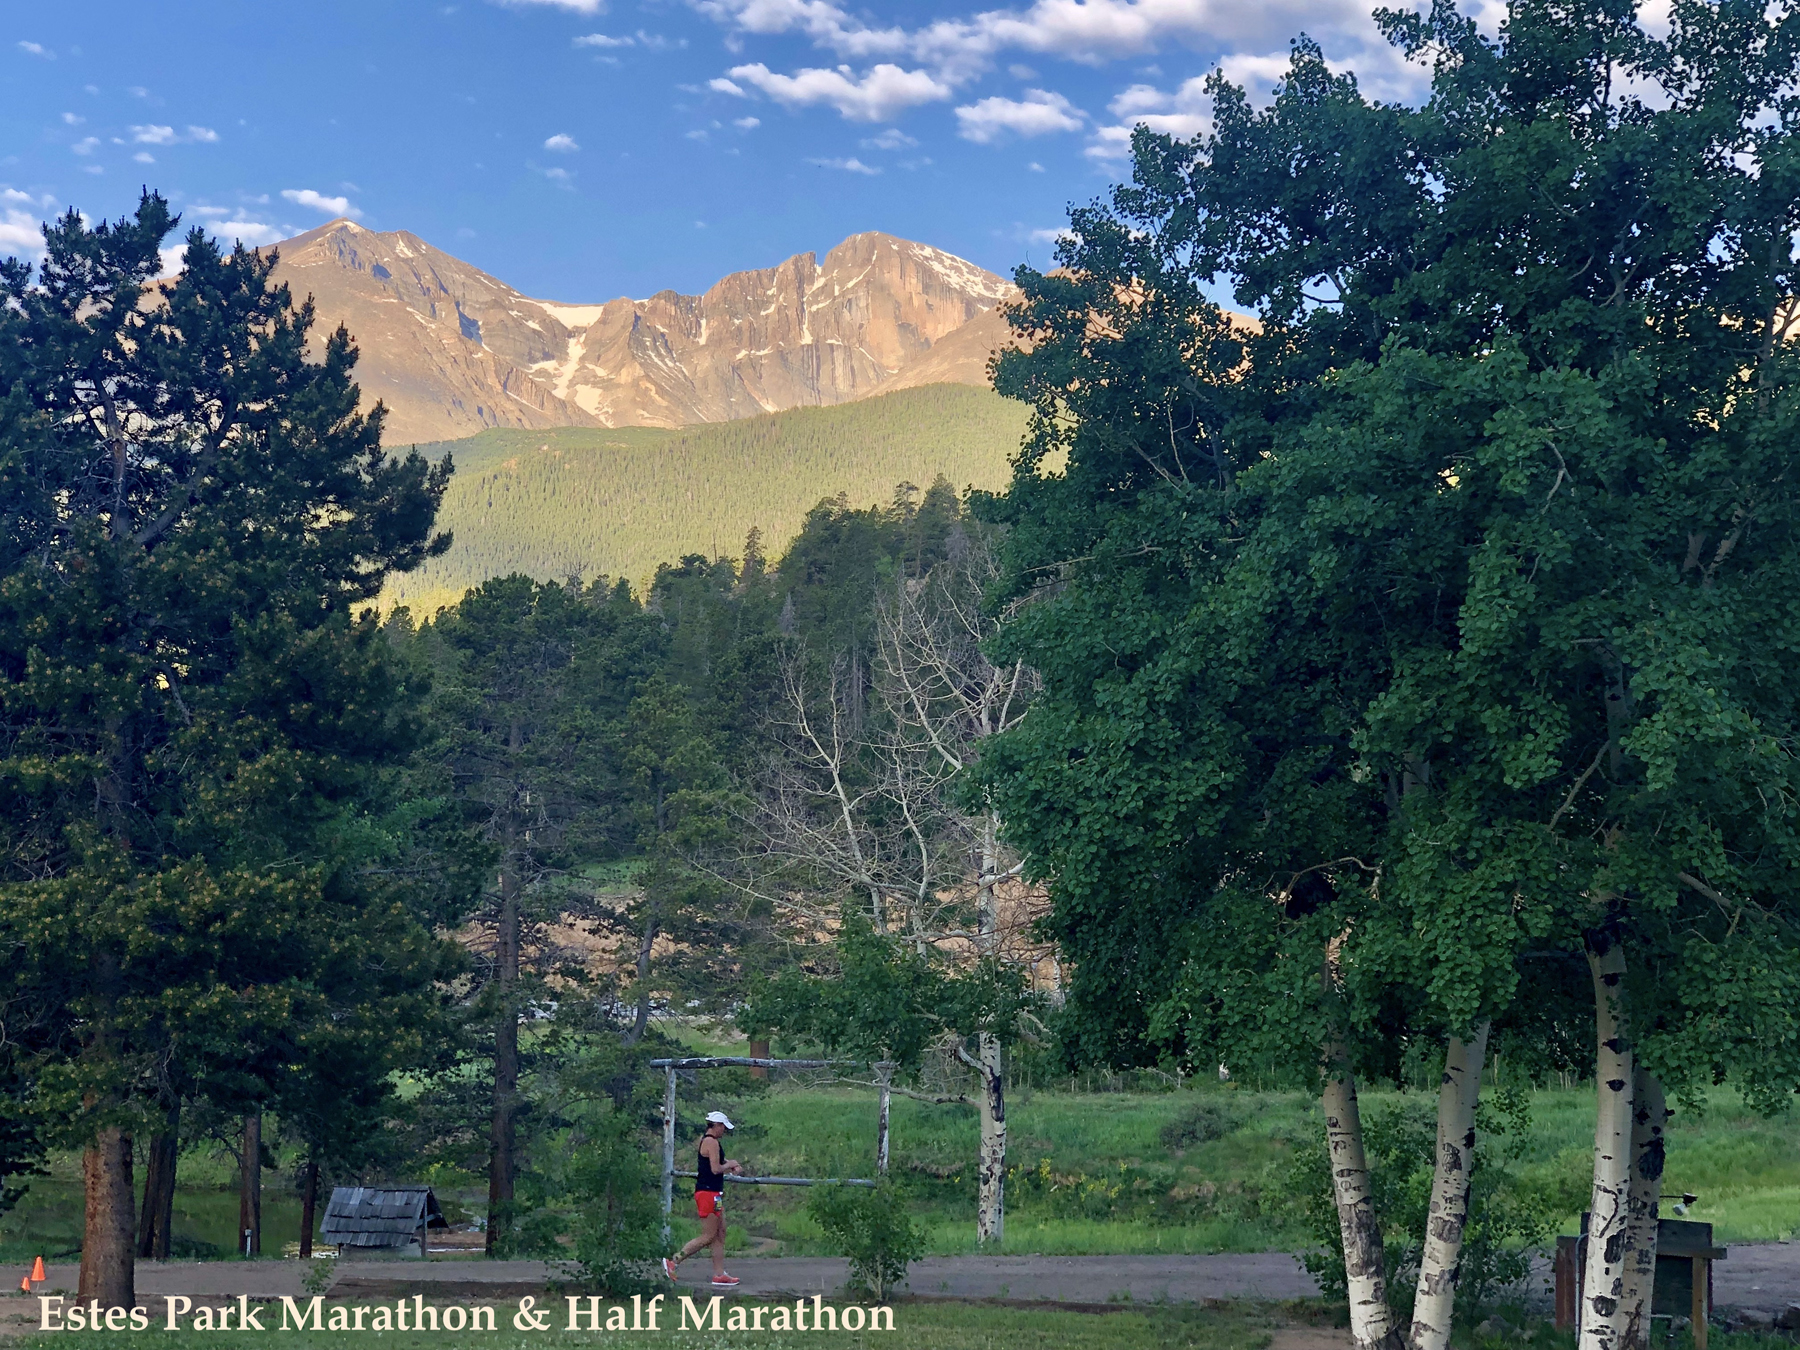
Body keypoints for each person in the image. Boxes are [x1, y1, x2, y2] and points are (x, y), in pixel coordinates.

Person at [664, 1111, 743, 1286]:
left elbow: (718, 1161)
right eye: (723, 1127)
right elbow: (715, 1169)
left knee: (720, 1232)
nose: (724, 1131)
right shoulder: (711, 1142)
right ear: (716, 1126)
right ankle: (674, 1261)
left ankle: (719, 1274)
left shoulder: (710, 1142)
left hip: (714, 1193)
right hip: (707, 1193)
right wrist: (730, 1165)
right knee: (708, 1235)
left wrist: (731, 1164)